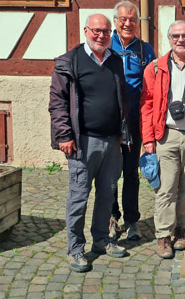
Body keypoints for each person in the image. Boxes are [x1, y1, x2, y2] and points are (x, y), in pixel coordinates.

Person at [49, 14, 129, 273]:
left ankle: (102, 240)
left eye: (106, 32)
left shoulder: (115, 61)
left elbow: (121, 100)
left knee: (107, 194)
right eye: (96, 31)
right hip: (82, 142)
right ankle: (75, 249)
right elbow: (58, 103)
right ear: (85, 31)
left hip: (111, 140)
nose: (101, 36)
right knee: (79, 197)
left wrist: (121, 133)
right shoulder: (69, 61)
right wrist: (64, 135)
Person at [140, 20, 185, 259]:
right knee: (166, 187)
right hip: (166, 134)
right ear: (169, 39)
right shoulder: (156, 67)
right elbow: (146, 105)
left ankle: (183, 229)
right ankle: (164, 235)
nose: (181, 39)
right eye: (176, 35)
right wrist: (148, 139)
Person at [109, 0, 156, 241]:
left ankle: (131, 221)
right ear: (115, 21)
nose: (128, 23)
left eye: (132, 20)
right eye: (123, 19)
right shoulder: (105, 46)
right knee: (109, 173)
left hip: (135, 120)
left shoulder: (145, 50)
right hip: (109, 120)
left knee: (130, 172)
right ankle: (111, 217)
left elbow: (154, 87)